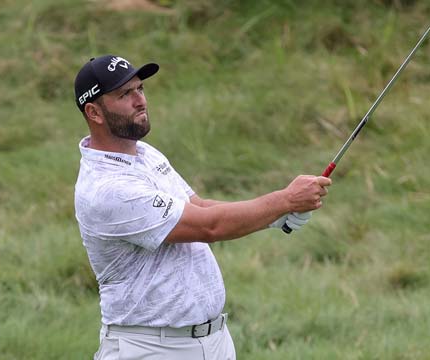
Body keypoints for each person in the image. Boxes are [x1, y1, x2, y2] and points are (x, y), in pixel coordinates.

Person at [73, 55, 332, 360]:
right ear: (94, 112)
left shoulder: (143, 153)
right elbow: (208, 226)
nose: (140, 101)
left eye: (140, 89)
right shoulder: (107, 188)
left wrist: (275, 217)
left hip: (213, 341)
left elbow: (198, 206)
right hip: (151, 348)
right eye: (124, 94)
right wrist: (284, 201)